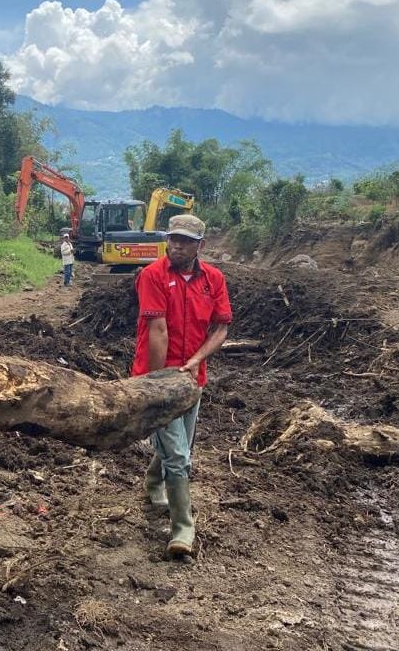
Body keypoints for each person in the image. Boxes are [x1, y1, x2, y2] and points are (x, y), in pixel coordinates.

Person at [131, 213, 231, 558]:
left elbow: (220, 328)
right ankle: (182, 529)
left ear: (200, 245)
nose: (177, 245)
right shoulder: (152, 275)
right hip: (159, 377)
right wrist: (160, 385)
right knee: (179, 456)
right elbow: (157, 330)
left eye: (186, 240)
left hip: (193, 379)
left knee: (180, 445)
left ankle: (154, 483)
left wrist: (197, 360)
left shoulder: (213, 280)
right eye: (173, 238)